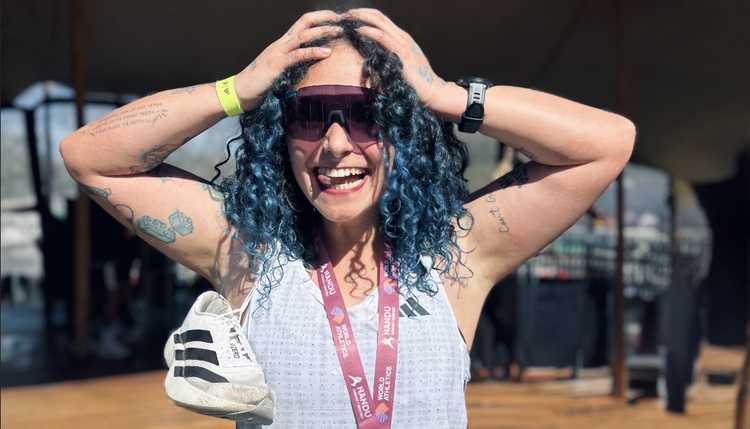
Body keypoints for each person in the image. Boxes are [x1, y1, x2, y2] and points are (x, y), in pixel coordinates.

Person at [61, 9, 635, 428]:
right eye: (309, 115)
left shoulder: (452, 256)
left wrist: (444, 97)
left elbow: (608, 143)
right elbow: (87, 157)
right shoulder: (248, 252)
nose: (335, 145)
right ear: (280, 134)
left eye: (367, 114)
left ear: (404, 129)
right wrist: (236, 91)